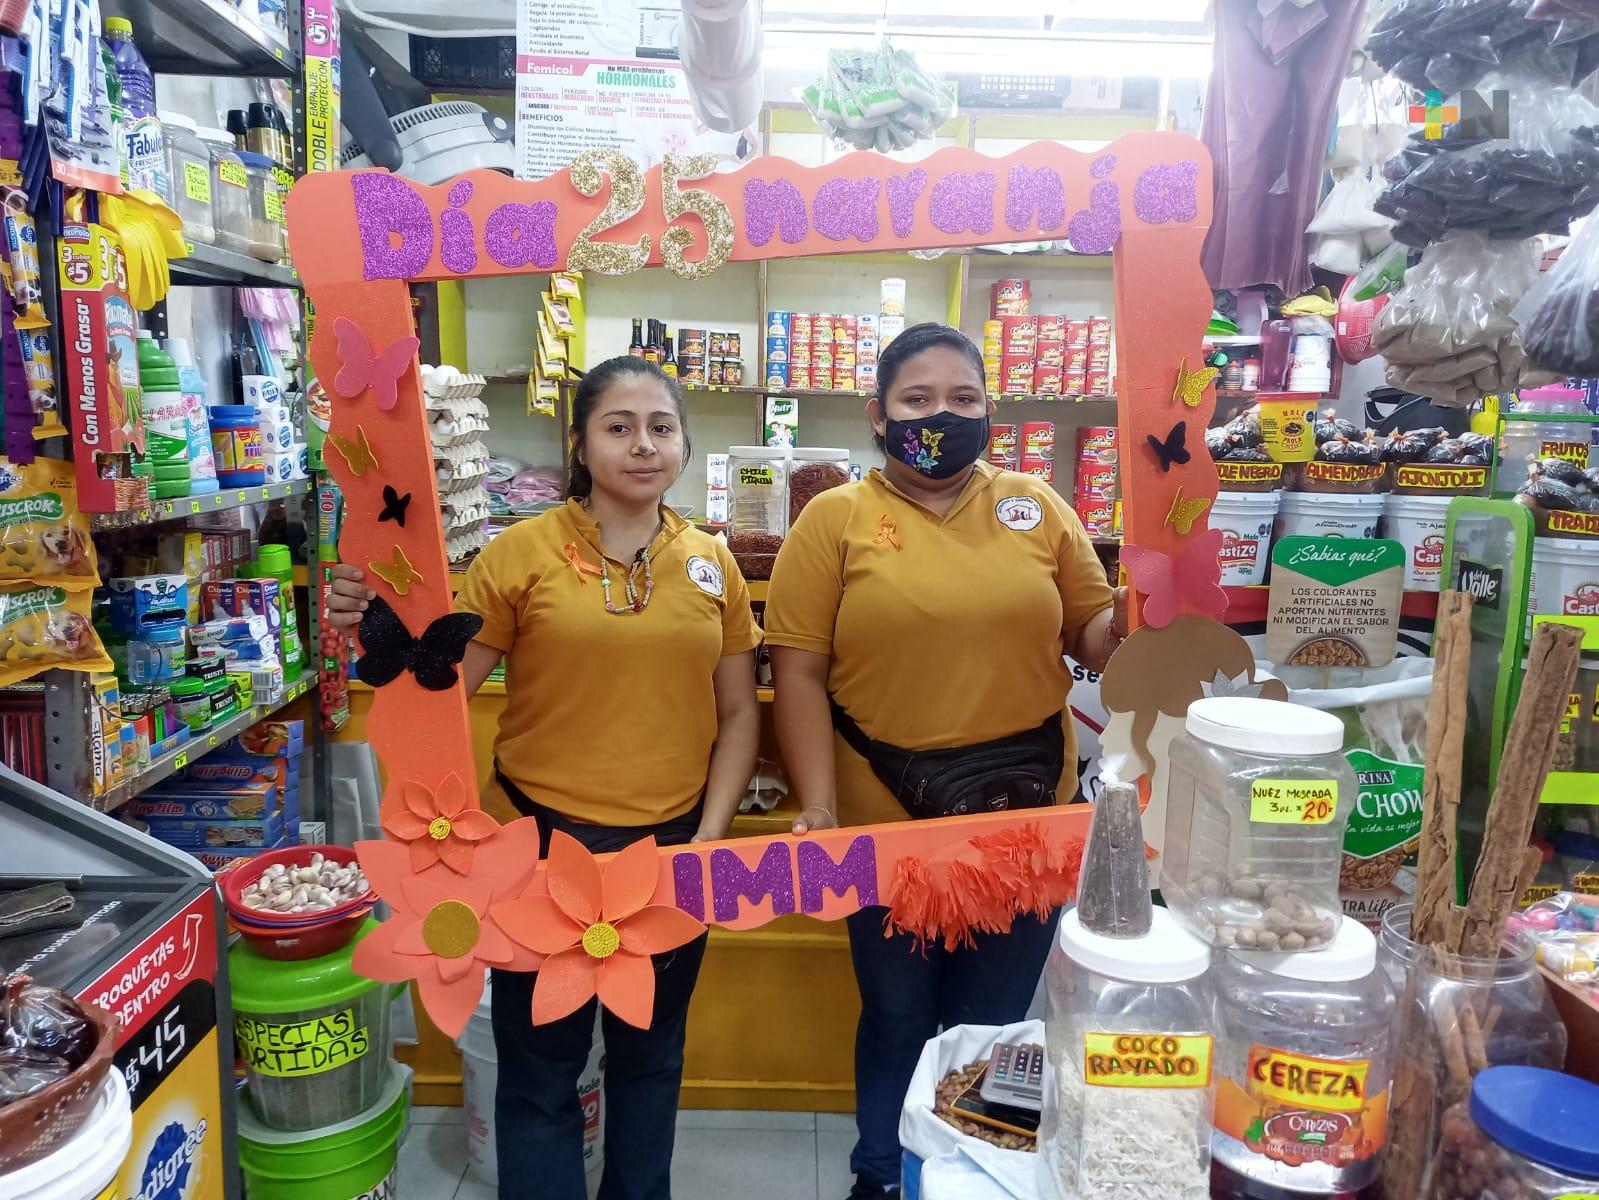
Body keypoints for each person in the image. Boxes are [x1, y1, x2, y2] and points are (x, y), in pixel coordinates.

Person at [326, 356, 761, 1200]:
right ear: (581, 441)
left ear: (684, 443)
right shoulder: (522, 553)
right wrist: (370, 619)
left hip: (670, 854)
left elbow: (740, 713)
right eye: (619, 425)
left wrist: (709, 838)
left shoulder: (713, 562)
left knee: (650, 1058)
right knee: (539, 1073)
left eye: (661, 427)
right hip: (537, 852)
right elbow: (438, 687)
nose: (643, 444)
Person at [763, 322, 1124, 1200]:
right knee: (894, 1013)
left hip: (1024, 820)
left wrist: (1145, 602)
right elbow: (798, 673)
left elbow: (1096, 640)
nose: (941, 417)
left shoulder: (1034, 505)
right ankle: (880, 1174)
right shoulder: (834, 518)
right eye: (917, 400)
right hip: (885, 820)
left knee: (994, 1022)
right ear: (877, 415)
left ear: (989, 411)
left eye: (962, 400)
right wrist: (817, 806)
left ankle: (975, 1174)